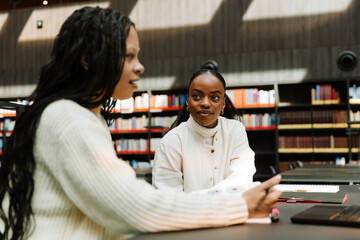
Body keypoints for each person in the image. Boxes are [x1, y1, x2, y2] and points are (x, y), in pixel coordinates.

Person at [0, 6, 281, 240]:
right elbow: (136, 207)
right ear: (89, 60)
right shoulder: (68, 120)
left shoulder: (81, 116)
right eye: (129, 56)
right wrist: (237, 206)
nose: (140, 66)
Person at [152, 65, 256, 193]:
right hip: (189, 213)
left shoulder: (235, 131)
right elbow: (168, 199)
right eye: (196, 96)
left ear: (223, 104)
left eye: (214, 98)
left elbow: (241, 180)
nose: (205, 103)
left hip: (229, 212)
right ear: (188, 101)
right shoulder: (171, 142)